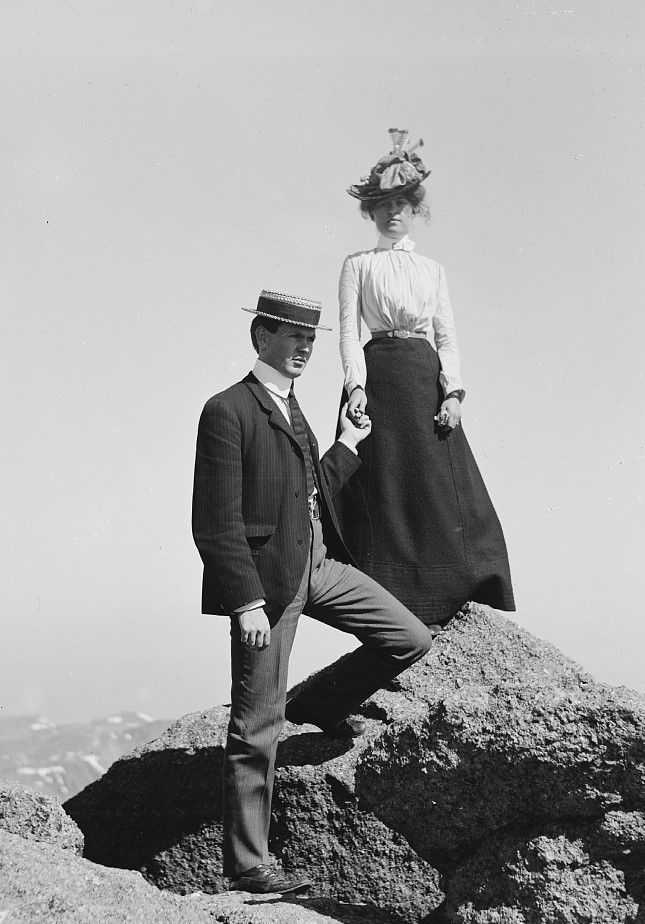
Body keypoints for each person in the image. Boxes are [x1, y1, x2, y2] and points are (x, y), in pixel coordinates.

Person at [192, 290, 434, 895]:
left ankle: (320, 705)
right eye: (291, 336)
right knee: (255, 726)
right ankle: (249, 866)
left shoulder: (292, 408)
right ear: (260, 338)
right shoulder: (228, 410)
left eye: (311, 339)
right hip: (268, 585)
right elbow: (214, 523)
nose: (303, 347)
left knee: (408, 637)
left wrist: (348, 446)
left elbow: (305, 496)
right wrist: (245, 601)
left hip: (317, 566)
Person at [335, 129, 515, 626]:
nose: (394, 212)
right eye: (384, 204)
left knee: (440, 490)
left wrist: (453, 393)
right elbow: (349, 334)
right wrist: (355, 386)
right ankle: (393, 607)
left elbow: (447, 337)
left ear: (415, 210)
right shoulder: (357, 266)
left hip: (422, 379)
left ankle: (452, 599)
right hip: (378, 382)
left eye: (403, 204)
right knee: (386, 490)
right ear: (370, 212)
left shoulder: (433, 270)